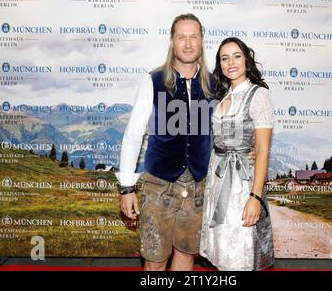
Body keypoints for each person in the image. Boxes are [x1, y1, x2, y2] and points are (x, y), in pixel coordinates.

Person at [115, 13, 215, 271]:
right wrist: (127, 188)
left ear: (202, 41)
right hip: (159, 186)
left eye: (194, 37)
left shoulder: (215, 84)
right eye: (181, 37)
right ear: (171, 41)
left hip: (198, 187)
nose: (188, 43)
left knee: (186, 255)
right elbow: (133, 134)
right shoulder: (154, 80)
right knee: (155, 261)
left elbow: (225, 132)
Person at [199, 37, 275, 271]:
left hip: (242, 185)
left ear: (246, 60)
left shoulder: (258, 95)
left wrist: (256, 197)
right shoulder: (221, 96)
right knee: (221, 251)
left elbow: (262, 152)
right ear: (220, 65)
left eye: (236, 56)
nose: (230, 62)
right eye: (224, 58)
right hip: (218, 182)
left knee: (240, 253)